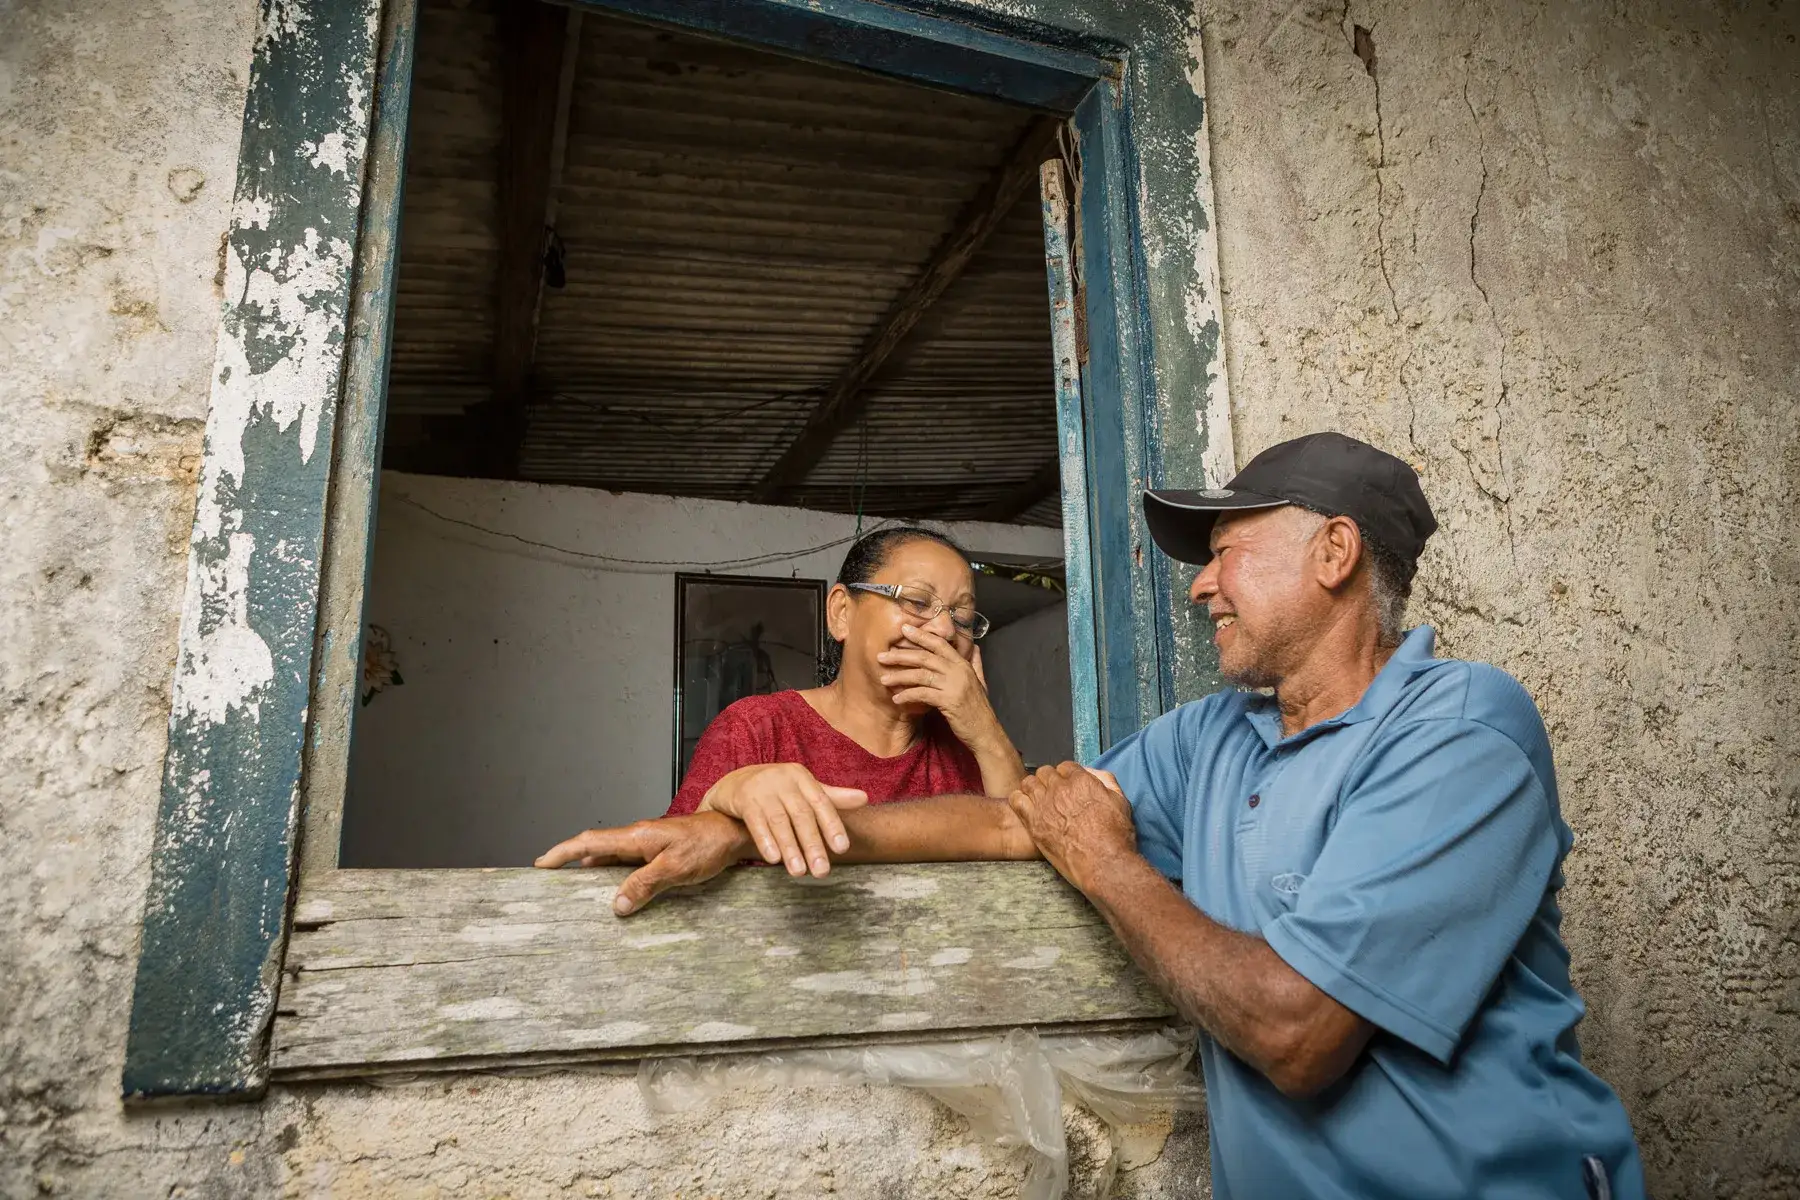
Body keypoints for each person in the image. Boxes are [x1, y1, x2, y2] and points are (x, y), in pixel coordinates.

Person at [538, 431, 1647, 1200]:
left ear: (1334, 553)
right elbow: (1024, 821)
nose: (1201, 587)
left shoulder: (1461, 731)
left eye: (1224, 555)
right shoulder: (1213, 734)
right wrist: (741, 828)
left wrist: (1112, 867)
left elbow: (1296, 1034)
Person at [539, 525, 1026, 880]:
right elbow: (681, 855)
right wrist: (723, 801)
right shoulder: (758, 728)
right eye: (917, 602)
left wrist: (986, 729)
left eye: (962, 618)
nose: (944, 630)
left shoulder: (970, 746)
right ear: (841, 613)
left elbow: (1024, 846)